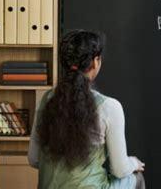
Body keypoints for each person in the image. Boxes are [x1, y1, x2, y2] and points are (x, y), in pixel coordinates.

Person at [28, 30, 146, 189]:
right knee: (137, 178)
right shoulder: (109, 106)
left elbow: (34, 159)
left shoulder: (47, 99)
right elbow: (119, 169)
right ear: (95, 62)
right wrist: (134, 162)